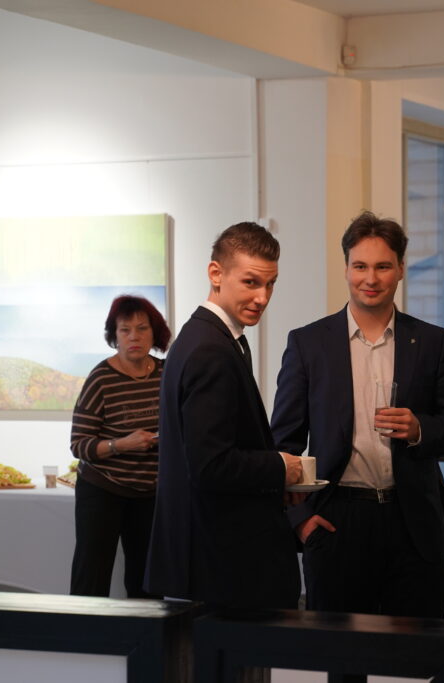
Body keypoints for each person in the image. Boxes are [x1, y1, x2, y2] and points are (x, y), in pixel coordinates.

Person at [270, 211, 444, 618]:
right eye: (360, 266)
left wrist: (420, 429)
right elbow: (283, 444)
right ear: (346, 268)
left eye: (383, 266)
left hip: (413, 523)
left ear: (400, 269)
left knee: (417, 648)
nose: (371, 278)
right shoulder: (308, 344)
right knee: (340, 651)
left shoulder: (431, 342)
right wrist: (301, 520)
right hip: (336, 522)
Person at [144, 221, 303, 609]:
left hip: (212, 559)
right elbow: (210, 464)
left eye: (270, 284)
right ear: (216, 274)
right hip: (221, 564)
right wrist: (280, 467)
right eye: (251, 282)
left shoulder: (206, 338)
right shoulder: (209, 349)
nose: (262, 297)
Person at [69, 294, 171, 598]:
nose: (134, 337)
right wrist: (122, 445)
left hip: (150, 492)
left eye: (142, 328)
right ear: (114, 336)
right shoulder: (101, 378)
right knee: (91, 575)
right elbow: (79, 445)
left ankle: (146, 629)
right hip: (102, 489)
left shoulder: (167, 373)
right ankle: (83, 628)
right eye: (125, 330)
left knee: (148, 581)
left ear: (154, 333)